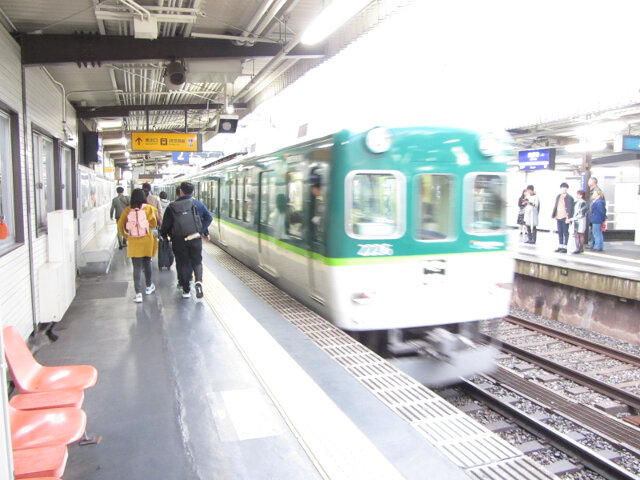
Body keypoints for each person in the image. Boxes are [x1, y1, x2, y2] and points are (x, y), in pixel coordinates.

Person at [160, 182, 212, 300]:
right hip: (195, 238)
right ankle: (198, 281)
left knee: (182, 263)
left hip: (178, 240)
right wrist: (200, 231)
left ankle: (186, 290)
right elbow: (209, 218)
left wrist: (165, 236)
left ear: (181, 191)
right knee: (197, 262)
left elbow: (166, 226)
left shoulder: (172, 206)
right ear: (192, 191)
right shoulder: (197, 204)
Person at [117, 188, 158, 303]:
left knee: (137, 267)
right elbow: (154, 223)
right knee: (147, 263)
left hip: (134, 241)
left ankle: (138, 294)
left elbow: (120, 224)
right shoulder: (149, 209)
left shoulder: (127, 210)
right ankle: (149, 287)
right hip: (147, 240)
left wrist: (125, 235)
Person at [551, 182, 574, 253]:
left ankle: (565, 247)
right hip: (558, 216)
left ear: (567, 189)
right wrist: (554, 215)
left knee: (565, 232)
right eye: (563, 188)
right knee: (560, 232)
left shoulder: (570, 198)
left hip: (565, 217)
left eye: (565, 188)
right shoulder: (558, 196)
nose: (564, 189)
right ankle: (560, 246)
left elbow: (570, 209)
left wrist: (569, 218)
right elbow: (556, 206)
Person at [586, 176, 604, 249]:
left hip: (596, 217)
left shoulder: (597, 191)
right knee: (594, 232)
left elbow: (601, 209)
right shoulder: (593, 190)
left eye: (589, 181)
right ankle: (594, 245)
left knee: (596, 232)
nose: (588, 182)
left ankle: (597, 246)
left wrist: (603, 218)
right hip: (594, 216)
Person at [567, 190, 587, 254]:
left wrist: (572, 218)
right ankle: (577, 248)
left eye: (578, 194)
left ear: (581, 195)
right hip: (576, 221)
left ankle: (580, 248)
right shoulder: (576, 202)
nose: (577, 195)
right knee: (576, 234)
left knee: (580, 234)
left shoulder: (583, 202)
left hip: (580, 221)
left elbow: (581, 214)